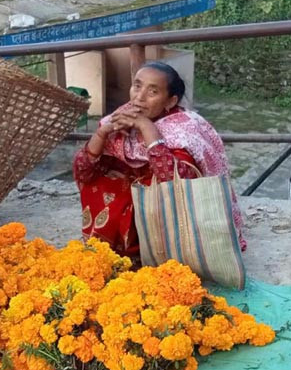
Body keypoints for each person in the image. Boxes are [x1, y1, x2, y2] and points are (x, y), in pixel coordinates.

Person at [73, 62, 244, 260]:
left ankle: (153, 253)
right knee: (101, 180)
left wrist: (146, 128)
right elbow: (83, 171)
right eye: (137, 86)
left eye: (152, 91)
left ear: (170, 101)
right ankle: (113, 248)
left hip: (170, 209)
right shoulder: (120, 117)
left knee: (149, 190)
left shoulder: (184, 129)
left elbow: (176, 184)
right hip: (134, 198)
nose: (139, 97)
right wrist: (102, 133)